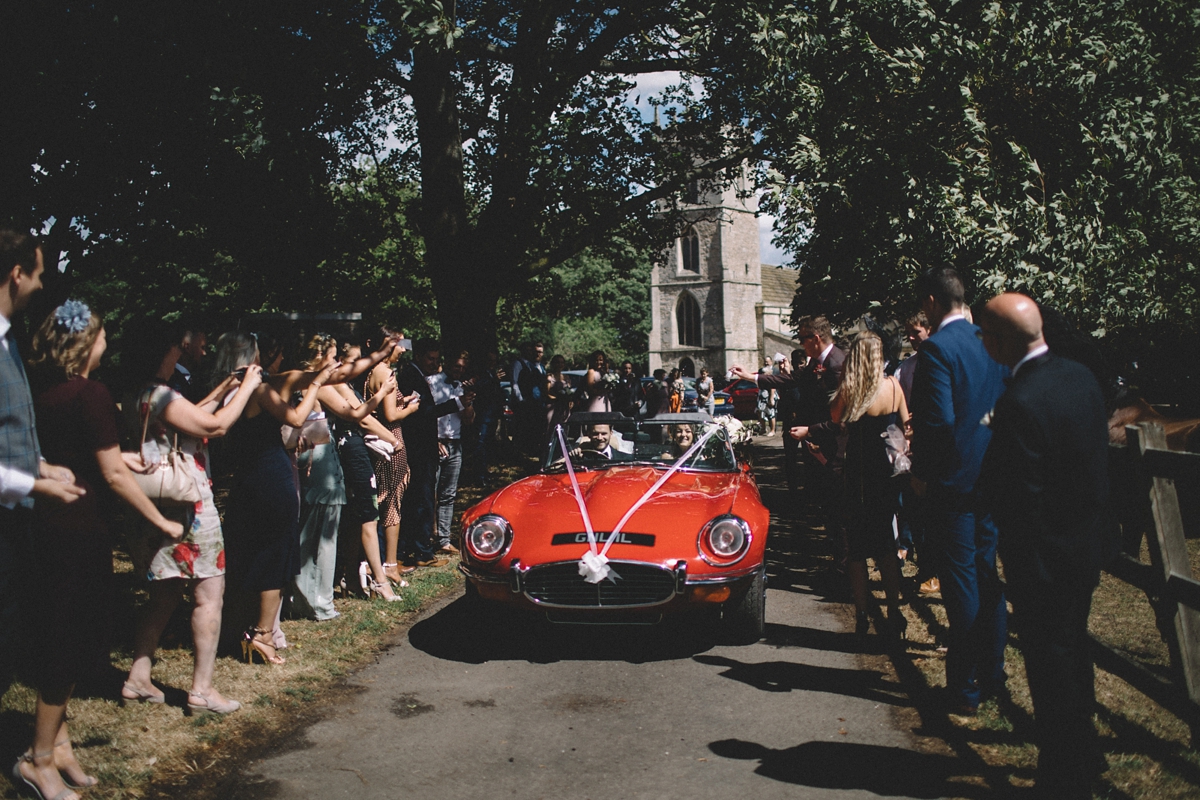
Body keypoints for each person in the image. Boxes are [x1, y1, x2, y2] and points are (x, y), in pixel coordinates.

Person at [21, 301, 184, 800]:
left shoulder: (40, 389)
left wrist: (116, 459)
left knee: (57, 633)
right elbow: (111, 473)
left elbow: (84, 455)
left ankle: (60, 745)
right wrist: (161, 520)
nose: (108, 343)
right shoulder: (91, 393)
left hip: (42, 524)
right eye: (103, 335)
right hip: (79, 526)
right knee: (70, 639)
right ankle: (39, 760)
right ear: (87, 342)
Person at [978, 293, 1117, 797]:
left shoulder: (1021, 401)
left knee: (1049, 666)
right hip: (1085, 543)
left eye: (984, 334)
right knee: (1074, 652)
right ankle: (1085, 751)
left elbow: (1018, 496)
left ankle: (1063, 774)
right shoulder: (1079, 377)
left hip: (1042, 557)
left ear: (998, 341)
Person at [120, 321, 263, 716]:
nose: (188, 348)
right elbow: (213, 427)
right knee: (208, 595)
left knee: (164, 594)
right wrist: (248, 386)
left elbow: (190, 418)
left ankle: (138, 676)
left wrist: (222, 390)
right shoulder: (162, 394)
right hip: (189, 508)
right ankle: (201, 690)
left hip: (155, 506)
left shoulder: (138, 394)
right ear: (168, 349)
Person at [1, 232, 87, 800]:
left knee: (42, 633)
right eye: (36, 272)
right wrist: (35, 482)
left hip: (20, 518)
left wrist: (43, 465)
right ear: (14, 274)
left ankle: (49, 751)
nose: (40, 283)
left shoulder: (9, 343)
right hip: (10, 518)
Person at [909, 266, 1008, 715]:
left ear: (931, 301)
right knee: (988, 577)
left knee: (962, 584)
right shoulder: (993, 344)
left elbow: (939, 423)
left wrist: (923, 475)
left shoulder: (936, 350)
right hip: (991, 478)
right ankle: (993, 673)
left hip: (953, 483)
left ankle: (964, 688)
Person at [214, 330, 339, 666]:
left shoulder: (224, 394)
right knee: (275, 553)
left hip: (245, 481)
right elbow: (296, 419)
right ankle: (263, 634)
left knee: (246, 553)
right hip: (271, 479)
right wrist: (317, 385)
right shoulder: (257, 389)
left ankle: (234, 629)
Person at [290, 334, 401, 616]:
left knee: (330, 527)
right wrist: (381, 392)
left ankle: (329, 589)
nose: (339, 363)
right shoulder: (314, 381)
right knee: (321, 531)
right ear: (320, 357)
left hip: (322, 456)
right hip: (320, 459)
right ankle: (317, 599)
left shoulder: (313, 379)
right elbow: (354, 414)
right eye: (334, 356)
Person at [830, 332, 909, 638]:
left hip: (857, 474)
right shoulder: (892, 386)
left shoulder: (850, 390)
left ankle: (862, 614)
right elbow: (905, 425)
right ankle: (893, 609)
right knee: (887, 547)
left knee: (857, 551)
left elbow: (836, 417)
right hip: (884, 474)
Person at [328, 341, 404, 600]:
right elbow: (361, 416)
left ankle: (350, 576)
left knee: (356, 517)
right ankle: (381, 581)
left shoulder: (346, 383)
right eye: (352, 361)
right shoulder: (335, 383)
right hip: (351, 449)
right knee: (368, 514)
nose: (357, 367)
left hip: (357, 447)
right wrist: (392, 439)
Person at [397, 339, 472, 568]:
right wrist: (454, 404)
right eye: (430, 358)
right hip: (419, 447)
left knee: (425, 498)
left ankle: (416, 547)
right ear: (418, 356)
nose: (434, 363)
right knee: (422, 499)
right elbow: (421, 413)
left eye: (436, 359)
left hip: (427, 447)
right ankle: (420, 551)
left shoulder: (417, 374)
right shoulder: (411, 376)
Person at [367, 336, 420, 584]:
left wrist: (402, 400)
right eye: (399, 346)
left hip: (385, 442)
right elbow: (389, 414)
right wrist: (409, 409)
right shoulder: (386, 372)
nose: (402, 350)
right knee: (392, 503)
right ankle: (389, 564)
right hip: (392, 442)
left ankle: (377, 563)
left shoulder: (371, 371)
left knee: (385, 501)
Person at [894, 311, 936, 592]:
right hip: (911, 448)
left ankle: (933, 570)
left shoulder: (937, 364)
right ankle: (925, 568)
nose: (910, 337)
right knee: (915, 511)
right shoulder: (906, 367)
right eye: (908, 332)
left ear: (930, 330)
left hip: (934, 448)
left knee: (932, 515)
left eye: (916, 332)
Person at [430, 351, 473, 555]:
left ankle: (444, 539)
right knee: (431, 491)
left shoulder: (461, 387)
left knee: (448, 493)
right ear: (447, 363)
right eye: (457, 366)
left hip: (455, 442)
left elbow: (468, 420)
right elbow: (426, 414)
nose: (460, 371)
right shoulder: (432, 382)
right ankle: (428, 534)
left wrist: (468, 403)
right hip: (435, 442)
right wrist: (434, 439)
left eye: (463, 368)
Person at [544, 354, 573, 441]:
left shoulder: (566, 377)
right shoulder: (549, 377)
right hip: (552, 407)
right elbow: (547, 393)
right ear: (553, 364)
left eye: (562, 362)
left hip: (564, 408)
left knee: (564, 429)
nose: (560, 365)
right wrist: (558, 399)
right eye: (557, 362)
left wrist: (569, 400)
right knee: (550, 429)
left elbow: (569, 392)